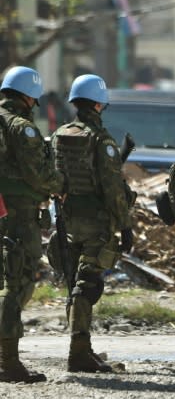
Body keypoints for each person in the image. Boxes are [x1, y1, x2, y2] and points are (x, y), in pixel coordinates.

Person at [51, 74, 136, 373]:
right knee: (87, 285)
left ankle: (83, 348)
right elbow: (113, 189)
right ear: (99, 104)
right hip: (97, 222)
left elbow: (54, 177)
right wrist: (126, 225)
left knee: (75, 281)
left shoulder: (60, 134)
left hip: (68, 219)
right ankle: (78, 353)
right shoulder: (101, 140)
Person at [0, 66, 65, 382]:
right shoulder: (21, 128)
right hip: (17, 216)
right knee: (19, 283)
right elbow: (37, 173)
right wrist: (59, 183)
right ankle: (7, 362)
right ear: (28, 96)